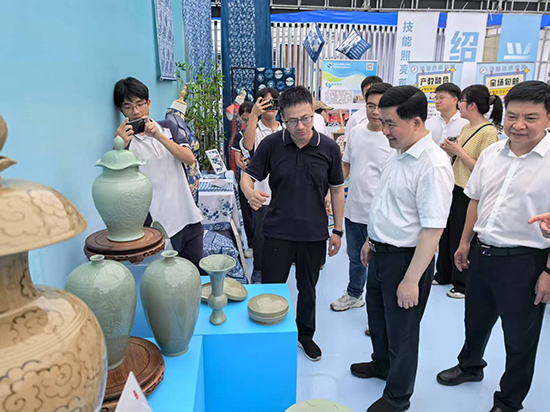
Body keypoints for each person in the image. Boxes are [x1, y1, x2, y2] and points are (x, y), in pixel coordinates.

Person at [437, 81, 550, 412]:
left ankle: (509, 400)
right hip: (482, 253)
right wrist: (464, 242)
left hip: (527, 262)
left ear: (548, 118)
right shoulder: (491, 154)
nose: (518, 125)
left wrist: (548, 271)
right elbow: (475, 199)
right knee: (475, 319)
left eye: (530, 117)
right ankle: (470, 366)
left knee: (520, 338)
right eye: (512, 116)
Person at [350, 86, 454, 412]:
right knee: (378, 318)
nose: (384, 131)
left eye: (391, 124)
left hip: (407, 260)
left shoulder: (432, 165)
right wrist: (370, 240)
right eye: (383, 122)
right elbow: (387, 205)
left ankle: (398, 397)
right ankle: (381, 364)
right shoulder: (398, 153)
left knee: (403, 333)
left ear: (417, 121)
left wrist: (411, 280)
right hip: (381, 252)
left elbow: (433, 230)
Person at [241, 86, 345, 362]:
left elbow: (337, 190)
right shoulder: (272, 145)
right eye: (293, 121)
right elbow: (248, 176)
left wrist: (337, 229)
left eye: (306, 118)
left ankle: (305, 335)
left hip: (314, 233)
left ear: (313, 113)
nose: (301, 126)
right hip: (277, 231)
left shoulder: (328, 148)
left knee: (308, 289)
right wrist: (249, 192)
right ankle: (270, 333)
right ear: (282, 119)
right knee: (272, 288)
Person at [113, 77, 204, 268]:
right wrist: (118, 147)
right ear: (121, 111)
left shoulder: (168, 127)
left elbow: (189, 158)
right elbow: (119, 185)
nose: (136, 111)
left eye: (140, 104)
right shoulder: (126, 143)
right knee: (167, 277)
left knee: (197, 272)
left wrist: (159, 136)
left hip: (187, 215)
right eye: (128, 107)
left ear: (149, 103)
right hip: (157, 227)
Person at [330, 83, 393, 314]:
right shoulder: (356, 132)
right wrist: (331, 192)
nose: (375, 112)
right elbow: (346, 165)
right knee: (355, 257)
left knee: (379, 264)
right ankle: (355, 294)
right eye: (370, 105)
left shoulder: (393, 138)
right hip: (354, 209)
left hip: (381, 214)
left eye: (381, 106)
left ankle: (379, 311)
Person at [435, 85, 502, 299]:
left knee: (462, 235)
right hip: (454, 186)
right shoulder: (466, 128)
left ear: (471, 105)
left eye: (462, 101)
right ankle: (444, 273)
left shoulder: (489, 132)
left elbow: (484, 169)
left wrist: (458, 151)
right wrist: (450, 150)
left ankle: (462, 282)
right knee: (446, 233)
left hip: (470, 192)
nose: (459, 105)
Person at [242, 87, 283, 283]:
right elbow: (248, 145)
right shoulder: (256, 130)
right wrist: (253, 116)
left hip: (283, 193)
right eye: (266, 102)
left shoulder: (285, 130)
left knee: (281, 235)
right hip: (261, 192)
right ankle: (258, 269)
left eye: (274, 101)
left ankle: (277, 268)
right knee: (261, 234)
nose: (271, 106)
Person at [231, 101, 255, 258]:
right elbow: (238, 160)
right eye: (244, 120)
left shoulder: (261, 133)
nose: (246, 123)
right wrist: (250, 166)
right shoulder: (239, 137)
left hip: (264, 181)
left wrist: (250, 163)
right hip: (246, 179)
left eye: (249, 119)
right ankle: (252, 245)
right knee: (247, 214)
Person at [344, 75, 384, 142]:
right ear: (363, 94)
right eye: (368, 91)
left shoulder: (389, 114)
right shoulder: (356, 117)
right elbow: (347, 142)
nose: (375, 113)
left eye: (375, 90)